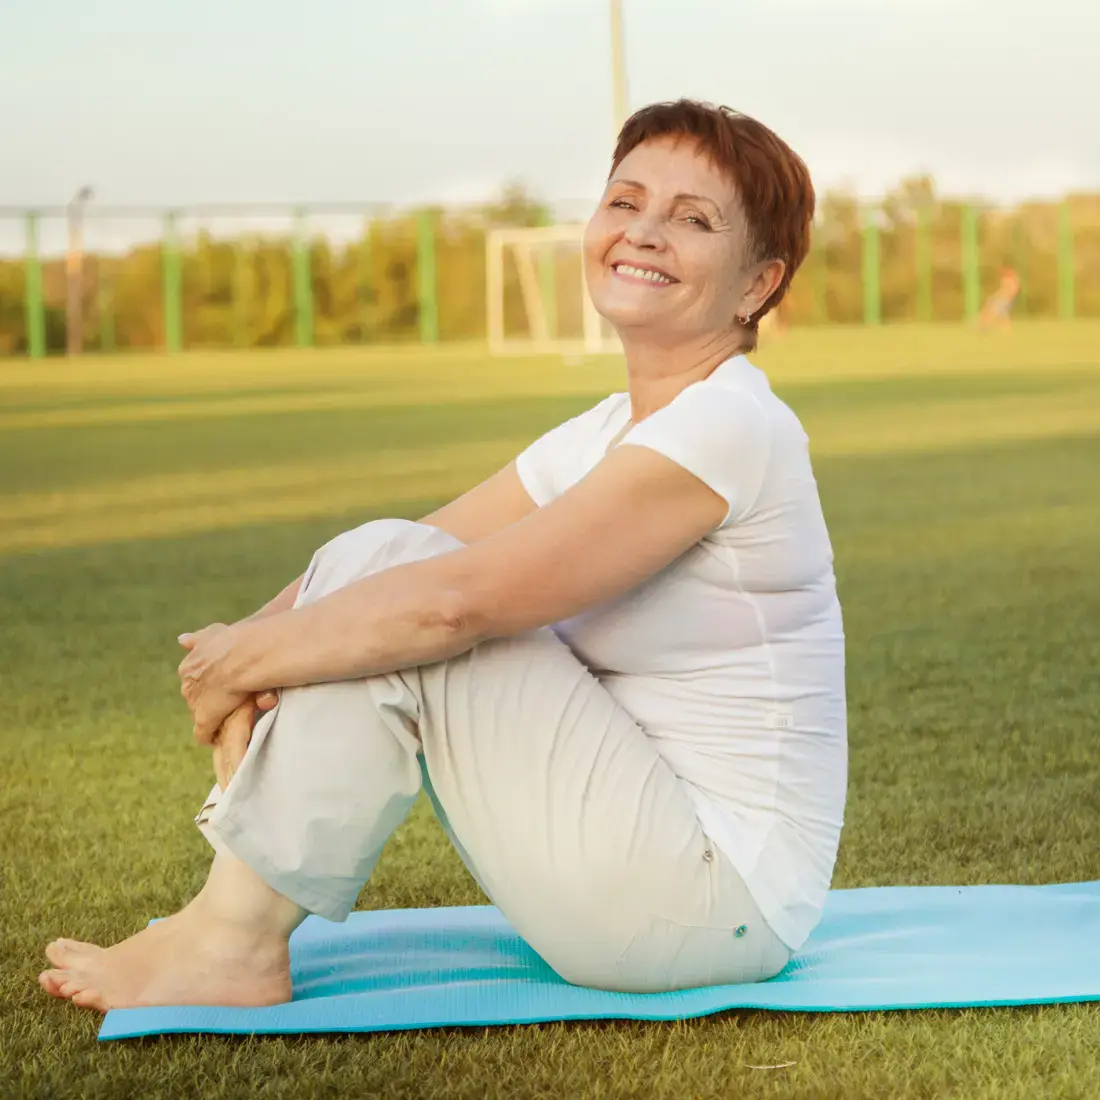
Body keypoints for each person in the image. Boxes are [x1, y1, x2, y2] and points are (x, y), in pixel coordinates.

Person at [40, 100, 847, 1012]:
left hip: (711, 901)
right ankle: (226, 929)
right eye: (626, 202)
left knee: (410, 591)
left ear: (757, 284)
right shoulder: (609, 431)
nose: (644, 232)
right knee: (382, 560)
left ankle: (232, 942)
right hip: (639, 878)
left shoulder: (732, 424)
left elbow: (452, 604)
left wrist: (249, 665)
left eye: (693, 219)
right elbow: (408, 548)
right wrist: (228, 655)